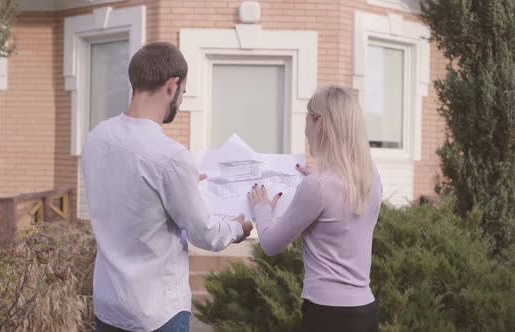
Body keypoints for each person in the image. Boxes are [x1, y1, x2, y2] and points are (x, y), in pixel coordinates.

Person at [82, 42, 253, 332]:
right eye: (184, 93)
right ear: (171, 85)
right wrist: (237, 229)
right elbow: (207, 234)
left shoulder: (97, 137)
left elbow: (130, 190)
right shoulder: (169, 156)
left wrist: (181, 184)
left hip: (109, 305)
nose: (181, 101)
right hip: (157, 314)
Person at [248, 86, 382, 332]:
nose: (305, 128)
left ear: (318, 120)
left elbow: (270, 244)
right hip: (365, 311)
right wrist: (323, 176)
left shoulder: (317, 187)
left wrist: (262, 208)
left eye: (307, 118)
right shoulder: (371, 177)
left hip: (326, 315)